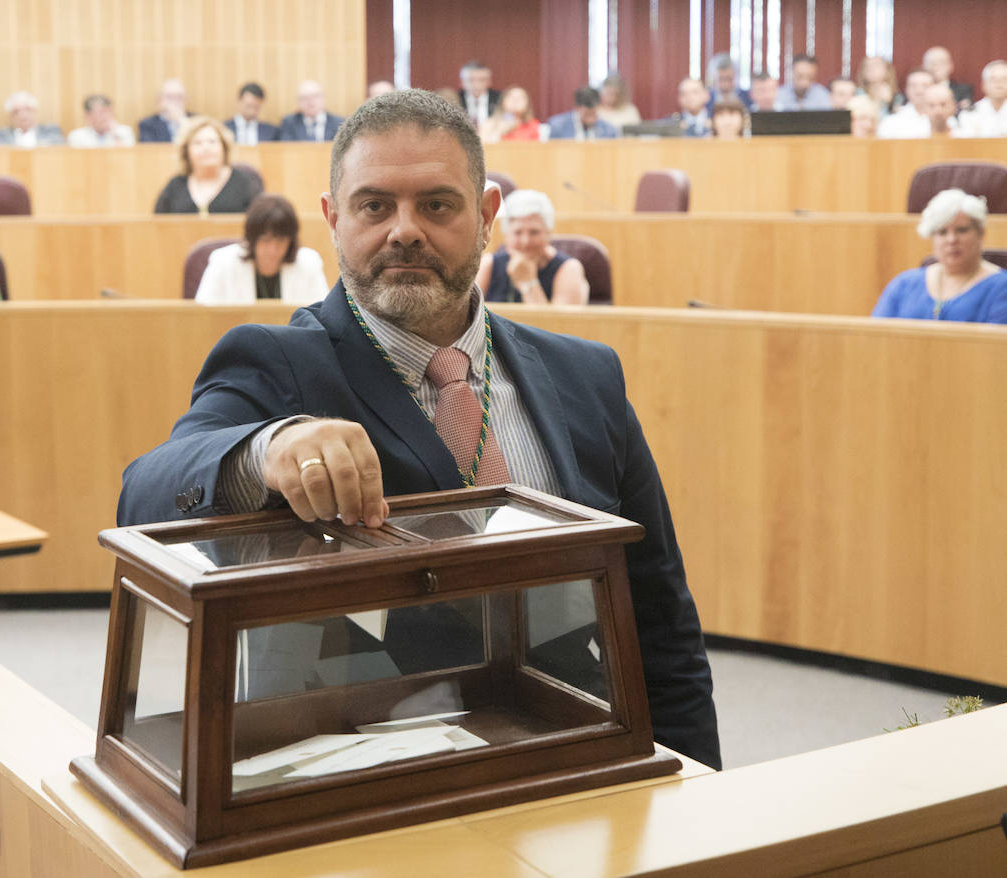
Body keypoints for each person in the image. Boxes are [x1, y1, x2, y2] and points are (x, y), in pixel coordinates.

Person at [117, 88, 721, 770]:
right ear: (333, 219)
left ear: (487, 215)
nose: (405, 230)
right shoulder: (277, 363)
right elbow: (145, 494)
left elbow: (661, 616)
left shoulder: (586, 376)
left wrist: (695, 782)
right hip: (363, 778)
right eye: (375, 206)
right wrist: (266, 448)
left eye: (437, 204)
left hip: (579, 755)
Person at [872, 189, 1006, 324]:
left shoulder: (1002, 287)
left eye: (962, 230)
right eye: (942, 232)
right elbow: (876, 339)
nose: (952, 240)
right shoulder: (904, 284)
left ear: (981, 233)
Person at [195, 194, 328, 305]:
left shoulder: (309, 262)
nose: (273, 249)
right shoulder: (222, 262)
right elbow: (205, 316)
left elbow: (321, 317)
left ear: (290, 241)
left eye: (281, 241)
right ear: (252, 239)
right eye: (266, 240)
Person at [475, 189, 587, 304]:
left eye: (534, 232)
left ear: (548, 233)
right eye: (517, 232)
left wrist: (528, 283)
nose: (526, 241)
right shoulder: (488, 264)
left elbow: (558, 322)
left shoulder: (569, 268)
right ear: (506, 235)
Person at [152, 116, 262, 214]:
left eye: (212, 142)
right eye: (198, 143)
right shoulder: (175, 185)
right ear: (186, 151)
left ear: (224, 147)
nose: (206, 148)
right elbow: (158, 225)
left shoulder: (245, 183)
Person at [543, 86, 617, 141]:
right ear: (577, 108)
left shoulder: (608, 130)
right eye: (587, 114)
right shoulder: (558, 126)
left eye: (594, 113)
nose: (591, 119)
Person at [0, 91, 64, 146]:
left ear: (35, 111)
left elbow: (58, 146)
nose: (22, 115)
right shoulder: (1, 135)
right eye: (16, 112)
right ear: (10, 116)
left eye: (27, 109)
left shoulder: (51, 131)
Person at [878, 70, 935, 139]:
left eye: (925, 86)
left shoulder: (948, 123)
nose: (919, 91)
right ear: (906, 90)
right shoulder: (890, 123)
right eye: (914, 86)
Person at [66, 94, 133, 148]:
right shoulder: (76, 136)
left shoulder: (125, 132)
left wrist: (115, 134)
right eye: (102, 112)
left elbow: (125, 157)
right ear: (88, 114)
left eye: (109, 111)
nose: (107, 116)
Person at [961, 60, 1007, 138]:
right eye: (993, 79)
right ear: (984, 85)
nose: (999, 83)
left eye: (1004, 79)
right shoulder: (970, 113)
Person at [138, 79, 189, 143]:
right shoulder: (147, 124)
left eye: (179, 97)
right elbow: (149, 148)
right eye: (169, 97)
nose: (174, 101)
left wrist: (182, 121)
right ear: (159, 101)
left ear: (186, 100)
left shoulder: (196, 119)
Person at [922, 46, 974, 111]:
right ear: (923, 67)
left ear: (951, 66)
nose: (936, 67)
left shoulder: (963, 91)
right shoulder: (917, 91)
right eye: (932, 63)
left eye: (941, 62)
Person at [458, 60, 500, 128]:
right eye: (470, 80)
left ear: (489, 81)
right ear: (462, 82)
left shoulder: (500, 99)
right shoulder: (455, 99)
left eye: (482, 80)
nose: (476, 85)